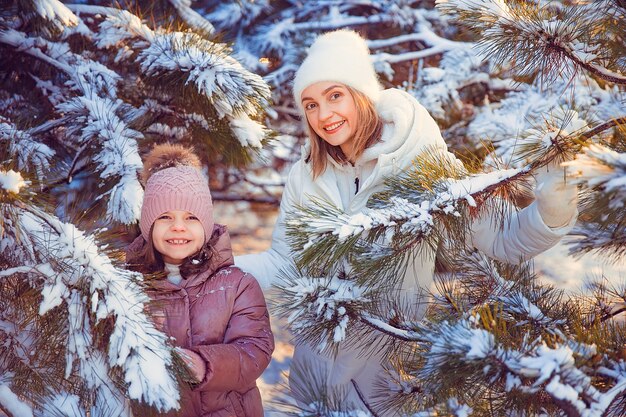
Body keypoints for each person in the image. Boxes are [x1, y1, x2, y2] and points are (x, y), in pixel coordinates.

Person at [235, 30, 578, 413]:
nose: (324, 115)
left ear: (361, 93)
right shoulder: (307, 173)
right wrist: (215, 263)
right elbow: (285, 262)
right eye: (311, 104)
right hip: (316, 375)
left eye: (335, 96)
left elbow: (503, 239)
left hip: (385, 380)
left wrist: (553, 209)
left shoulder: (421, 161)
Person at [126, 144, 274, 417]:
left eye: (191, 217)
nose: (178, 226)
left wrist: (204, 364)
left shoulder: (237, 285)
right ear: (148, 226)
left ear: (206, 225)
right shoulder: (128, 287)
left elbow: (255, 350)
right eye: (165, 217)